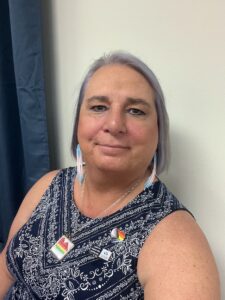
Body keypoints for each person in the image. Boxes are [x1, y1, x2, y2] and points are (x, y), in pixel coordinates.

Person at [0, 51, 220, 299]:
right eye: (98, 107)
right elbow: (6, 270)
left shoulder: (177, 244)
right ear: (78, 124)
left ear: (158, 133)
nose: (114, 124)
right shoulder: (50, 185)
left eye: (136, 110)